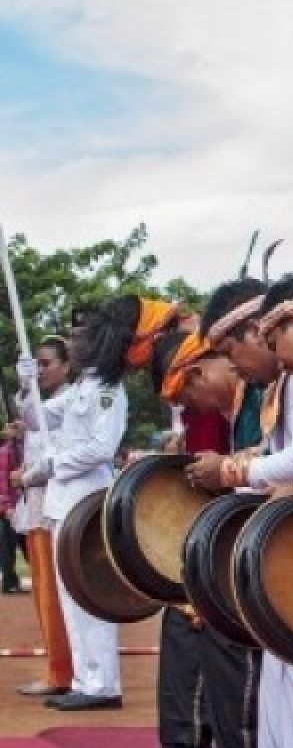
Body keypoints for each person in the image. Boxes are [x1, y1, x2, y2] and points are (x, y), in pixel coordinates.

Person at [191, 274, 293, 748]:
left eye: (232, 352)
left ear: (258, 333)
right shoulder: (283, 385)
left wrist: (233, 471)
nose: (234, 368)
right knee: (285, 683)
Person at [149, 329, 264, 748]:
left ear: (197, 373)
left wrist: (231, 470)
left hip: (268, 571)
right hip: (229, 565)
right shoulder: (234, 407)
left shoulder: (260, 397)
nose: (189, 411)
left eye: (185, 398)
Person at [37, 296, 138, 711]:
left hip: (85, 500)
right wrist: (28, 382)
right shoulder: (83, 386)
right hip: (65, 502)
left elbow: (101, 448)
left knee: (87, 594)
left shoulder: (109, 390)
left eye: (81, 335)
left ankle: (102, 684)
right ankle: (85, 678)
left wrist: (55, 463)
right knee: (70, 596)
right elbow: (38, 417)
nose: (74, 343)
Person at [12, 336, 74, 697]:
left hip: (55, 504)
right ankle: (58, 666)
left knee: (53, 594)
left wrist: (28, 475)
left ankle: (61, 672)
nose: (41, 370)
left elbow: (56, 457)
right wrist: (25, 386)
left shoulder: (69, 401)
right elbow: (33, 420)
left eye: (47, 363)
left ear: (66, 365)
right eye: (37, 364)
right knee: (42, 592)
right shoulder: (49, 402)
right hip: (36, 506)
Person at [0, 428, 25, 593]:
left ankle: (12, 582)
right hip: (7, 506)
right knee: (7, 545)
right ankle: (9, 583)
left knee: (18, 543)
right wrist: (6, 506)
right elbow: (2, 480)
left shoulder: (21, 449)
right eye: (11, 428)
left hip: (20, 505)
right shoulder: (5, 452)